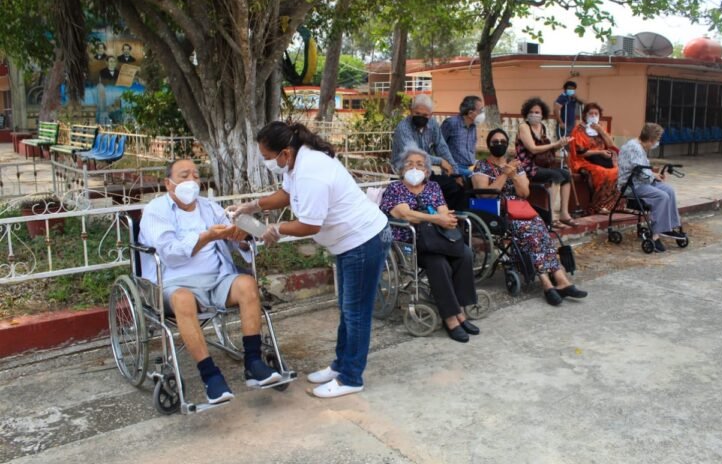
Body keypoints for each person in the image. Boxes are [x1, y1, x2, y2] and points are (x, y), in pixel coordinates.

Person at [228, 121, 391, 398]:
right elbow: (286, 194)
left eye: (268, 158)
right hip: (349, 243)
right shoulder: (297, 163)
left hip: (363, 241)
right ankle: (340, 366)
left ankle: (352, 377)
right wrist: (252, 206)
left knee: (356, 312)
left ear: (285, 153)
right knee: (347, 308)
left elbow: (310, 225)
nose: (268, 163)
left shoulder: (311, 172)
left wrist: (276, 230)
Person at [139, 159, 282, 405]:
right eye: (184, 176)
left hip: (217, 278)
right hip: (176, 282)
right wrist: (206, 236)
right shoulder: (155, 211)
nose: (192, 181)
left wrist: (244, 236)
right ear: (168, 183)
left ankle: (253, 363)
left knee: (247, 284)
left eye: (196, 175)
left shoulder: (209, 207)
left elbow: (235, 229)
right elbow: (170, 252)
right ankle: (210, 375)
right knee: (183, 300)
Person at [473, 129, 588, 306]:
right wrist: (504, 174)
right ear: (489, 145)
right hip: (497, 211)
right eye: (495, 142)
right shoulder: (482, 166)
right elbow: (484, 195)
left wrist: (513, 175)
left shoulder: (516, 165)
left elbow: (524, 192)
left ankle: (561, 279)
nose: (499, 144)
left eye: (502, 141)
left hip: (520, 208)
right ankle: (546, 283)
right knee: (530, 233)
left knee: (541, 229)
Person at [380, 147, 480, 343]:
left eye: (420, 164)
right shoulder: (395, 189)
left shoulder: (433, 187)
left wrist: (447, 220)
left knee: (465, 253)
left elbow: (443, 212)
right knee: (437, 263)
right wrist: (435, 219)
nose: (415, 168)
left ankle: (460, 310)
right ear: (401, 170)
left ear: (427, 171)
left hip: (437, 239)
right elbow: (404, 214)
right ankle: (451, 318)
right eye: (409, 164)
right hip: (409, 244)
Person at [618, 123, 685, 253]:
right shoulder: (634, 148)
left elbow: (641, 170)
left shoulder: (639, 146)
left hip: (639, 181)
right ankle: (655, 235)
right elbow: (640, 173)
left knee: (669, 190)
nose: (656, 143)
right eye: (656, 140)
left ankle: (668, 226)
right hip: (631, 185)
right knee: (662, 196)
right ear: (650, 140)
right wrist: (653, 177)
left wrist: (655, 176)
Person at [515, 97, 578, 229]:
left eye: (537, 112)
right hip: (527, 166)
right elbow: (532, 148)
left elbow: (547, 148)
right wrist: (555, 144)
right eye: (532, 112)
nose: (534, 114)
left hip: (541, 165)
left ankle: (564, 214)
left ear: (542, 114)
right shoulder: (524, 127)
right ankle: (552, 216)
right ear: (526, 113)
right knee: (554, 176)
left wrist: (560, 144)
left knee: (566, 175)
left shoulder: (542, 127)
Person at [568, 102, 622, 215]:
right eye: (590, 113)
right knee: (601, 172)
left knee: (616, 170)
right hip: (583, 161)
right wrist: (599, 152)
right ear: (585, 115)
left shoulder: (600, 129)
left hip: (601, 159)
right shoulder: (578, 130)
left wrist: (601, 132)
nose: (593, 116)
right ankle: (598, 205)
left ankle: (614, 204)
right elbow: (579, 152)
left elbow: (611, 145)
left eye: (596, 113)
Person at [391, 94, 458, 176]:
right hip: (403, 171)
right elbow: (413, 155)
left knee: (453, 184)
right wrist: (440, 161)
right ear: (411, 111)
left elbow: (442, 147)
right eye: (417, 113)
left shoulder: (433, 124)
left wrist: (454, 171)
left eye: (425, 115)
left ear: (430, 115)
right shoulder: (403, 127)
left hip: (424, 170)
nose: (420, 117)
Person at [440, 95, 484, 179]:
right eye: (480, 111)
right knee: (479, 177)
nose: (482, 114)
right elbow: (439, 146)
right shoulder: (451, 123)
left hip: (470, 167)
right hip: (454, 169)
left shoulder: (473, 126)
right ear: (470, 113)